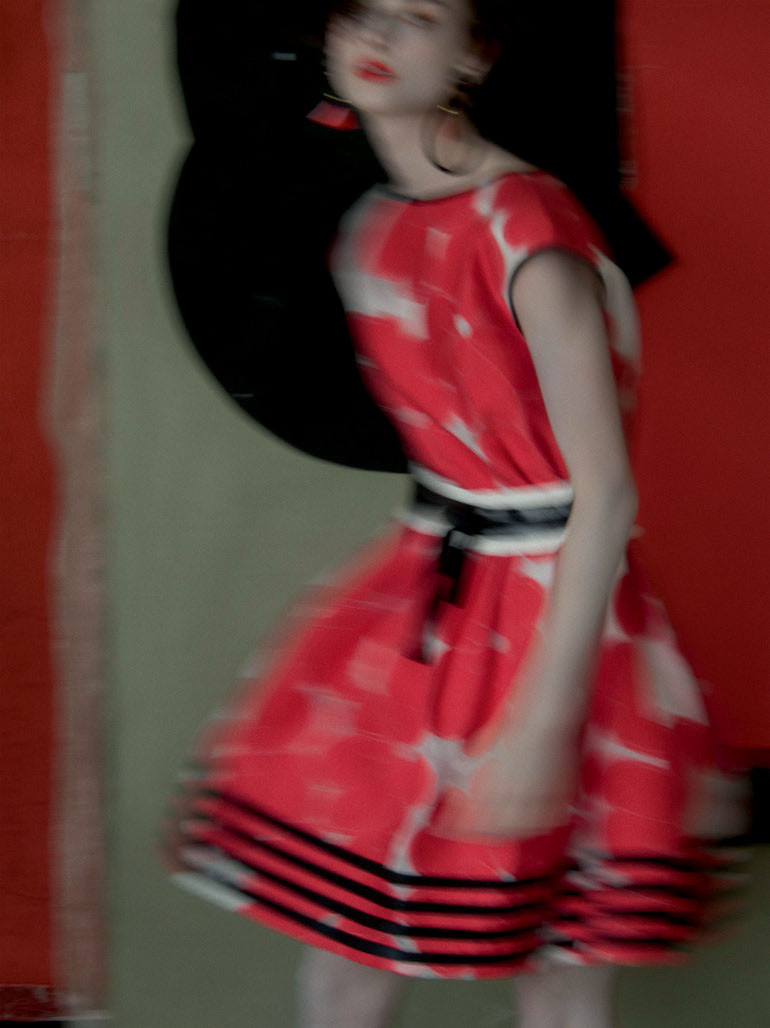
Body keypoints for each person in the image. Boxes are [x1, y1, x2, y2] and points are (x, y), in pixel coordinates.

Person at [157, 2, 751, 1026]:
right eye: (361, 12)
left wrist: (544, 721)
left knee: (559, 966)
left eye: (419, 17)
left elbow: (604, 493)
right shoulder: (369, 227)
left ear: (474, 53)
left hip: (556, 615)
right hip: (426, 597)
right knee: (347, 941)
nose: (379, 38)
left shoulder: (530, 230)